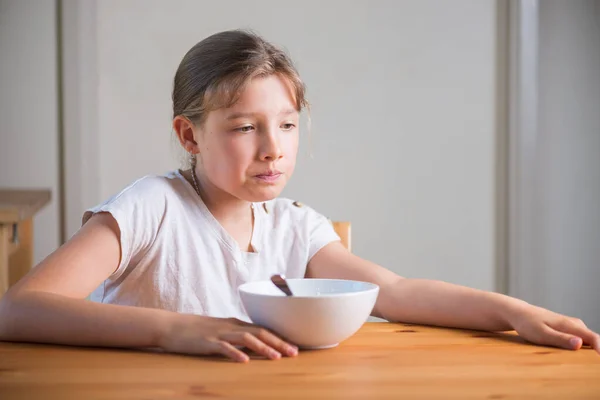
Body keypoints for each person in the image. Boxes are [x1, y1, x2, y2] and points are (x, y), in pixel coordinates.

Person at [0, 30, 597, 363]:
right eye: (243, 127)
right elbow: (18, 309)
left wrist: (516, 312)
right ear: (189, 134)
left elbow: (399, 293)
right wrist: (178, 330)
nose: (273, 149)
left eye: (286, 124)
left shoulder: (294, 225)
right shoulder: (150, 206)